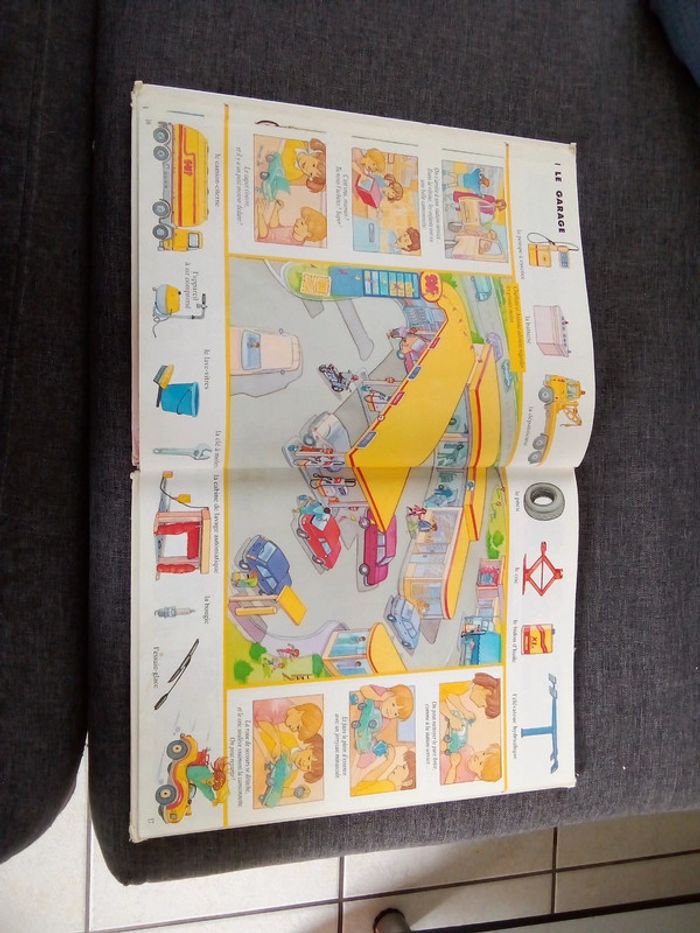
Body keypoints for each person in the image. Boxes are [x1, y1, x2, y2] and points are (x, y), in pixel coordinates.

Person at [255, 195, 327, 245]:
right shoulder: (295, 232)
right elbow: (274, 228)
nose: (298, 219)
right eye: (302, 218)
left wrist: (260, 214)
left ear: (308, 234)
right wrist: (276, 209)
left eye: (302, 223)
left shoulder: (291, 243)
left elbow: (264, 236)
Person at [352, 745, 416, 795]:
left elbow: (360, 792)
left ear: (408, 782)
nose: (398, 766)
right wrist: (389, 760)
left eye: (403, 767)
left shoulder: (389, 787)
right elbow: (366, 781)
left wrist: (389, 760)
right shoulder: (389, 785)